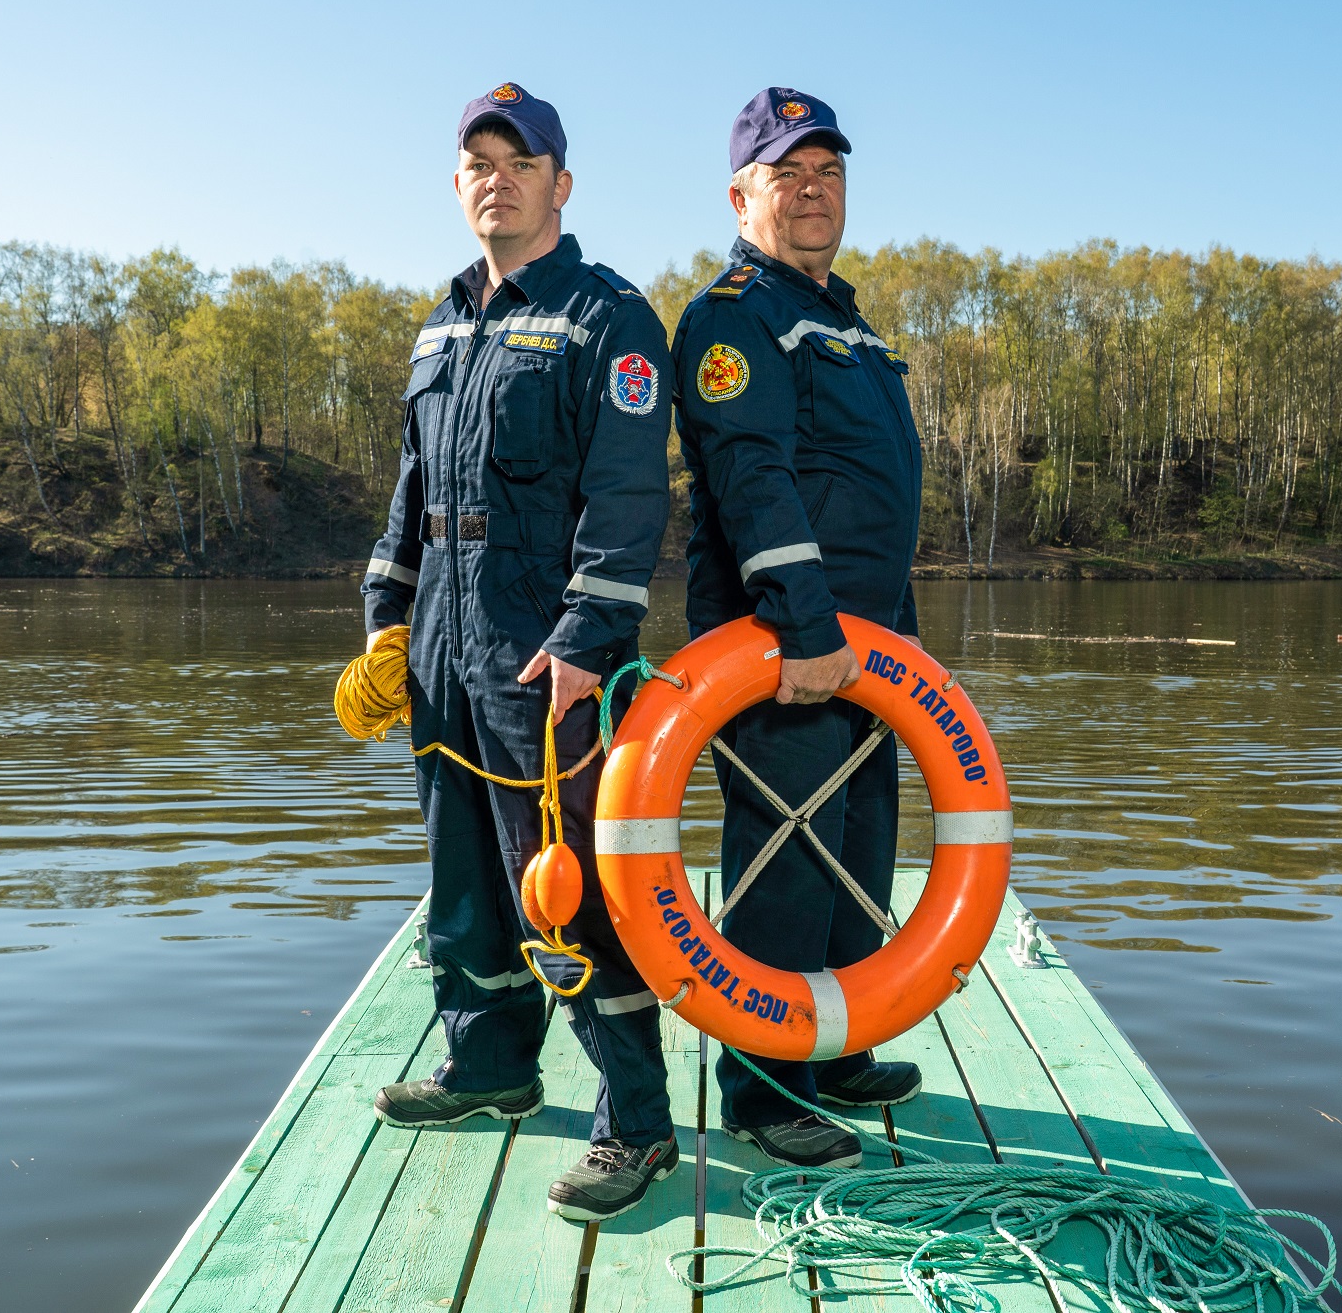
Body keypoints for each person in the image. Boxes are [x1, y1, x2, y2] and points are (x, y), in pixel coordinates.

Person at [364, 82, 676, 1222]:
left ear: (560, 184)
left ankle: (633, 1120)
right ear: (458, 186)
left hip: (544, 646)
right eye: (476, 161)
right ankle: (491, 1063)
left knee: (572, 887)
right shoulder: (439, 323)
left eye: (518, 159)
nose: (495, 176)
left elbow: (630, 492)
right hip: (441, 634)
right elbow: (411, 488)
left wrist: (589, 634)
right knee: (462, 877)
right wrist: (383, 615)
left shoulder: (608, 318)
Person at [669, 87, 925, 1169]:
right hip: (785, 646)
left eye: (827, 172)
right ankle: (765, 1087)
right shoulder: (735, 314)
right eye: (787, 173)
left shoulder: (845, 319)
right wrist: (806, 629)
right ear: (741, 194)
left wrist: (899, 650)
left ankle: (832, 1050)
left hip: (870, 645)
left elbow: (873, 496)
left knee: (860, 845)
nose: (812, 190)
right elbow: (752, 482)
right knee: (782, 860)